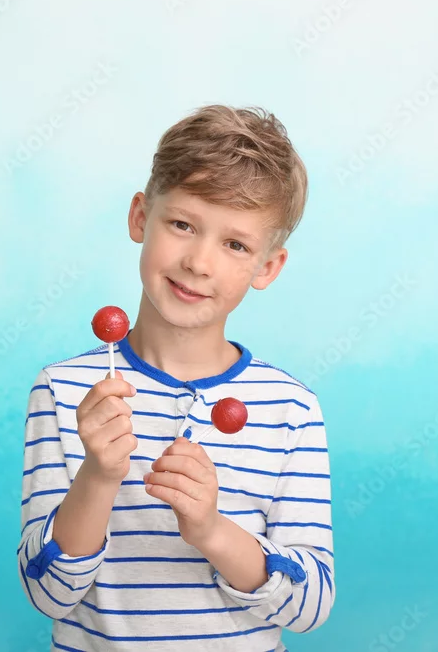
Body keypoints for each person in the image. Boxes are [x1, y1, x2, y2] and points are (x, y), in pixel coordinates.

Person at [17, 104, 334, 651]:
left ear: (267, 267)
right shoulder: (65, 391)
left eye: (235, 244)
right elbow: (48, 593)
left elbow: (311, 606)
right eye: (183, 225)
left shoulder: (291, 409)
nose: (199, 263)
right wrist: (98, 475)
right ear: (141, 217)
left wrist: (211, 530)